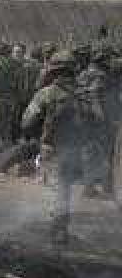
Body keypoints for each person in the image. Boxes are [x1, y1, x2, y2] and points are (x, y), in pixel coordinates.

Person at [21, 51, 103, 245]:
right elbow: (99, 120)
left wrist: (34, 136)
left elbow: (27, 122)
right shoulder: (85, 93)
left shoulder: (47, 93)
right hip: (76, 149)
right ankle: (62, 228)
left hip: (52, 148)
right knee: (65, 187)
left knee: (57, 189)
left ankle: (58, 231)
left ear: (54, 71)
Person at [79, 47, 118, 198]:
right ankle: (106, 187)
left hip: (83, 118)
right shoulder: (101, 76)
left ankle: (89, 186)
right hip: (98, 119)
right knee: (106, 152)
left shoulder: (83, 74)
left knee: (89, 152)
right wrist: (102, 117)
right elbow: (95, 96)